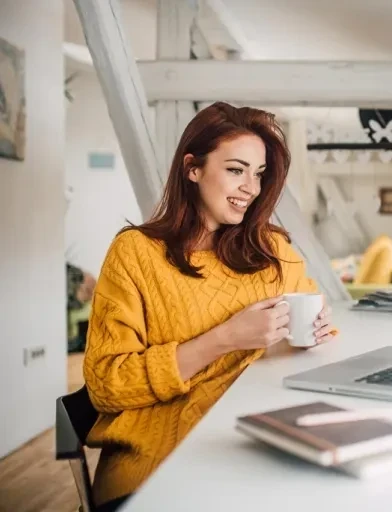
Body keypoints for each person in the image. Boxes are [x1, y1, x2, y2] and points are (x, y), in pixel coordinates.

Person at [82, 102, 337, 510]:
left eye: (259, 174)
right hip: (160, 466)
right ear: (192, 168)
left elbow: (311, 332)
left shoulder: (273, 249)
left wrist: (314, 332)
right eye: (236, 170)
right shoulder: (136, 253)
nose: (251, 188)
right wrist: (224, 339)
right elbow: (106, 385)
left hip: (255, 445)